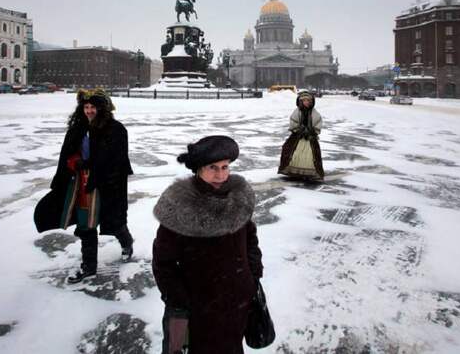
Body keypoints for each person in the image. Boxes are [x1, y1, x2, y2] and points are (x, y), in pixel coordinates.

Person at [152, 135, 263, 354]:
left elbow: (250, 238)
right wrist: (180, 300)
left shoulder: (237, 198)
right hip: (200, 312)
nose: (221, 175)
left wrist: (253, 275)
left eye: (225, 167)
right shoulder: (180, 207)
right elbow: (163, 262)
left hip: (238, 303)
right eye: (213, 167)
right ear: (198, 169)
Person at [34, 88, 134, 283]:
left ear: (102, 108)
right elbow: (67, 154)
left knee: (114, 222)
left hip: (106, 185)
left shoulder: (116, 129)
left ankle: (126, 243)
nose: (89, 111)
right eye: (86, 107)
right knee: (85, 224)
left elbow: (117, 160)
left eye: (93, 107)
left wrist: (89, 164)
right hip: (80, 184)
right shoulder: (77, 129)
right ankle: (89, 267)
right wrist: (72, 163)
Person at [278, 91, 325, 181]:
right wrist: (300, 130)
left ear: (311, 102)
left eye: (308, 100)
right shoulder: (297, 112)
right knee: (288, 149)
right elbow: (293, 122)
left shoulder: (315, 113)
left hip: (310, 137)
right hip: (298, 135)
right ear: (301, 102)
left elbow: (318, 123)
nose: (306, 102)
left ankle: (310, 172)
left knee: (310, 155)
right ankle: (293, 171)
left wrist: (311, 132)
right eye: (304, 100)